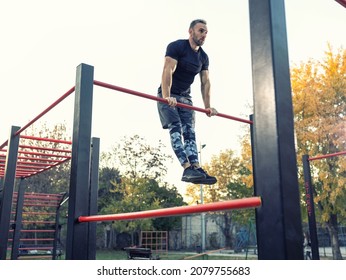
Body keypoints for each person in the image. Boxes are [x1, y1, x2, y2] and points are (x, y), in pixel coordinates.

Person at [157, 19, 217, 185]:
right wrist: (167, 96)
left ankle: (195, 168)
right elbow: (167, 70)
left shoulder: (203, 57)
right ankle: (186, 167)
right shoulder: (177, 47)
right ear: (190, 32)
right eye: (200, 31)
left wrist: (207, 107)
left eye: (205, 32)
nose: (204, 35)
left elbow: (205, 82)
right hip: (167, 94)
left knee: (190, 132)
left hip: (185, 97)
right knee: (175, 128)